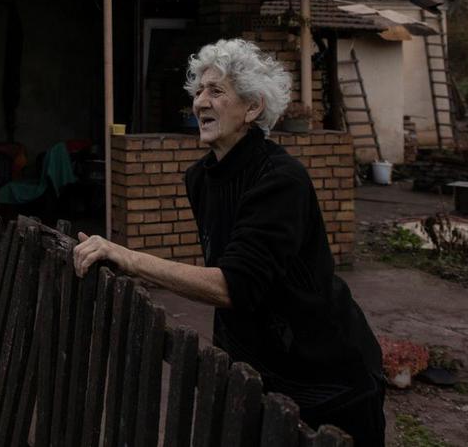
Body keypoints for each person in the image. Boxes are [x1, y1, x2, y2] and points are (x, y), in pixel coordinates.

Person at [73, 38, 385, 445]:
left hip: (326, 376)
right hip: (259, 371)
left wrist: (127, 257)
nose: (201, 102)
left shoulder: (280, 180)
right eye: (199, 90)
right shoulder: (201, 178)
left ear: (252, 107)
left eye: (216, 91)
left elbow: (233, 285)